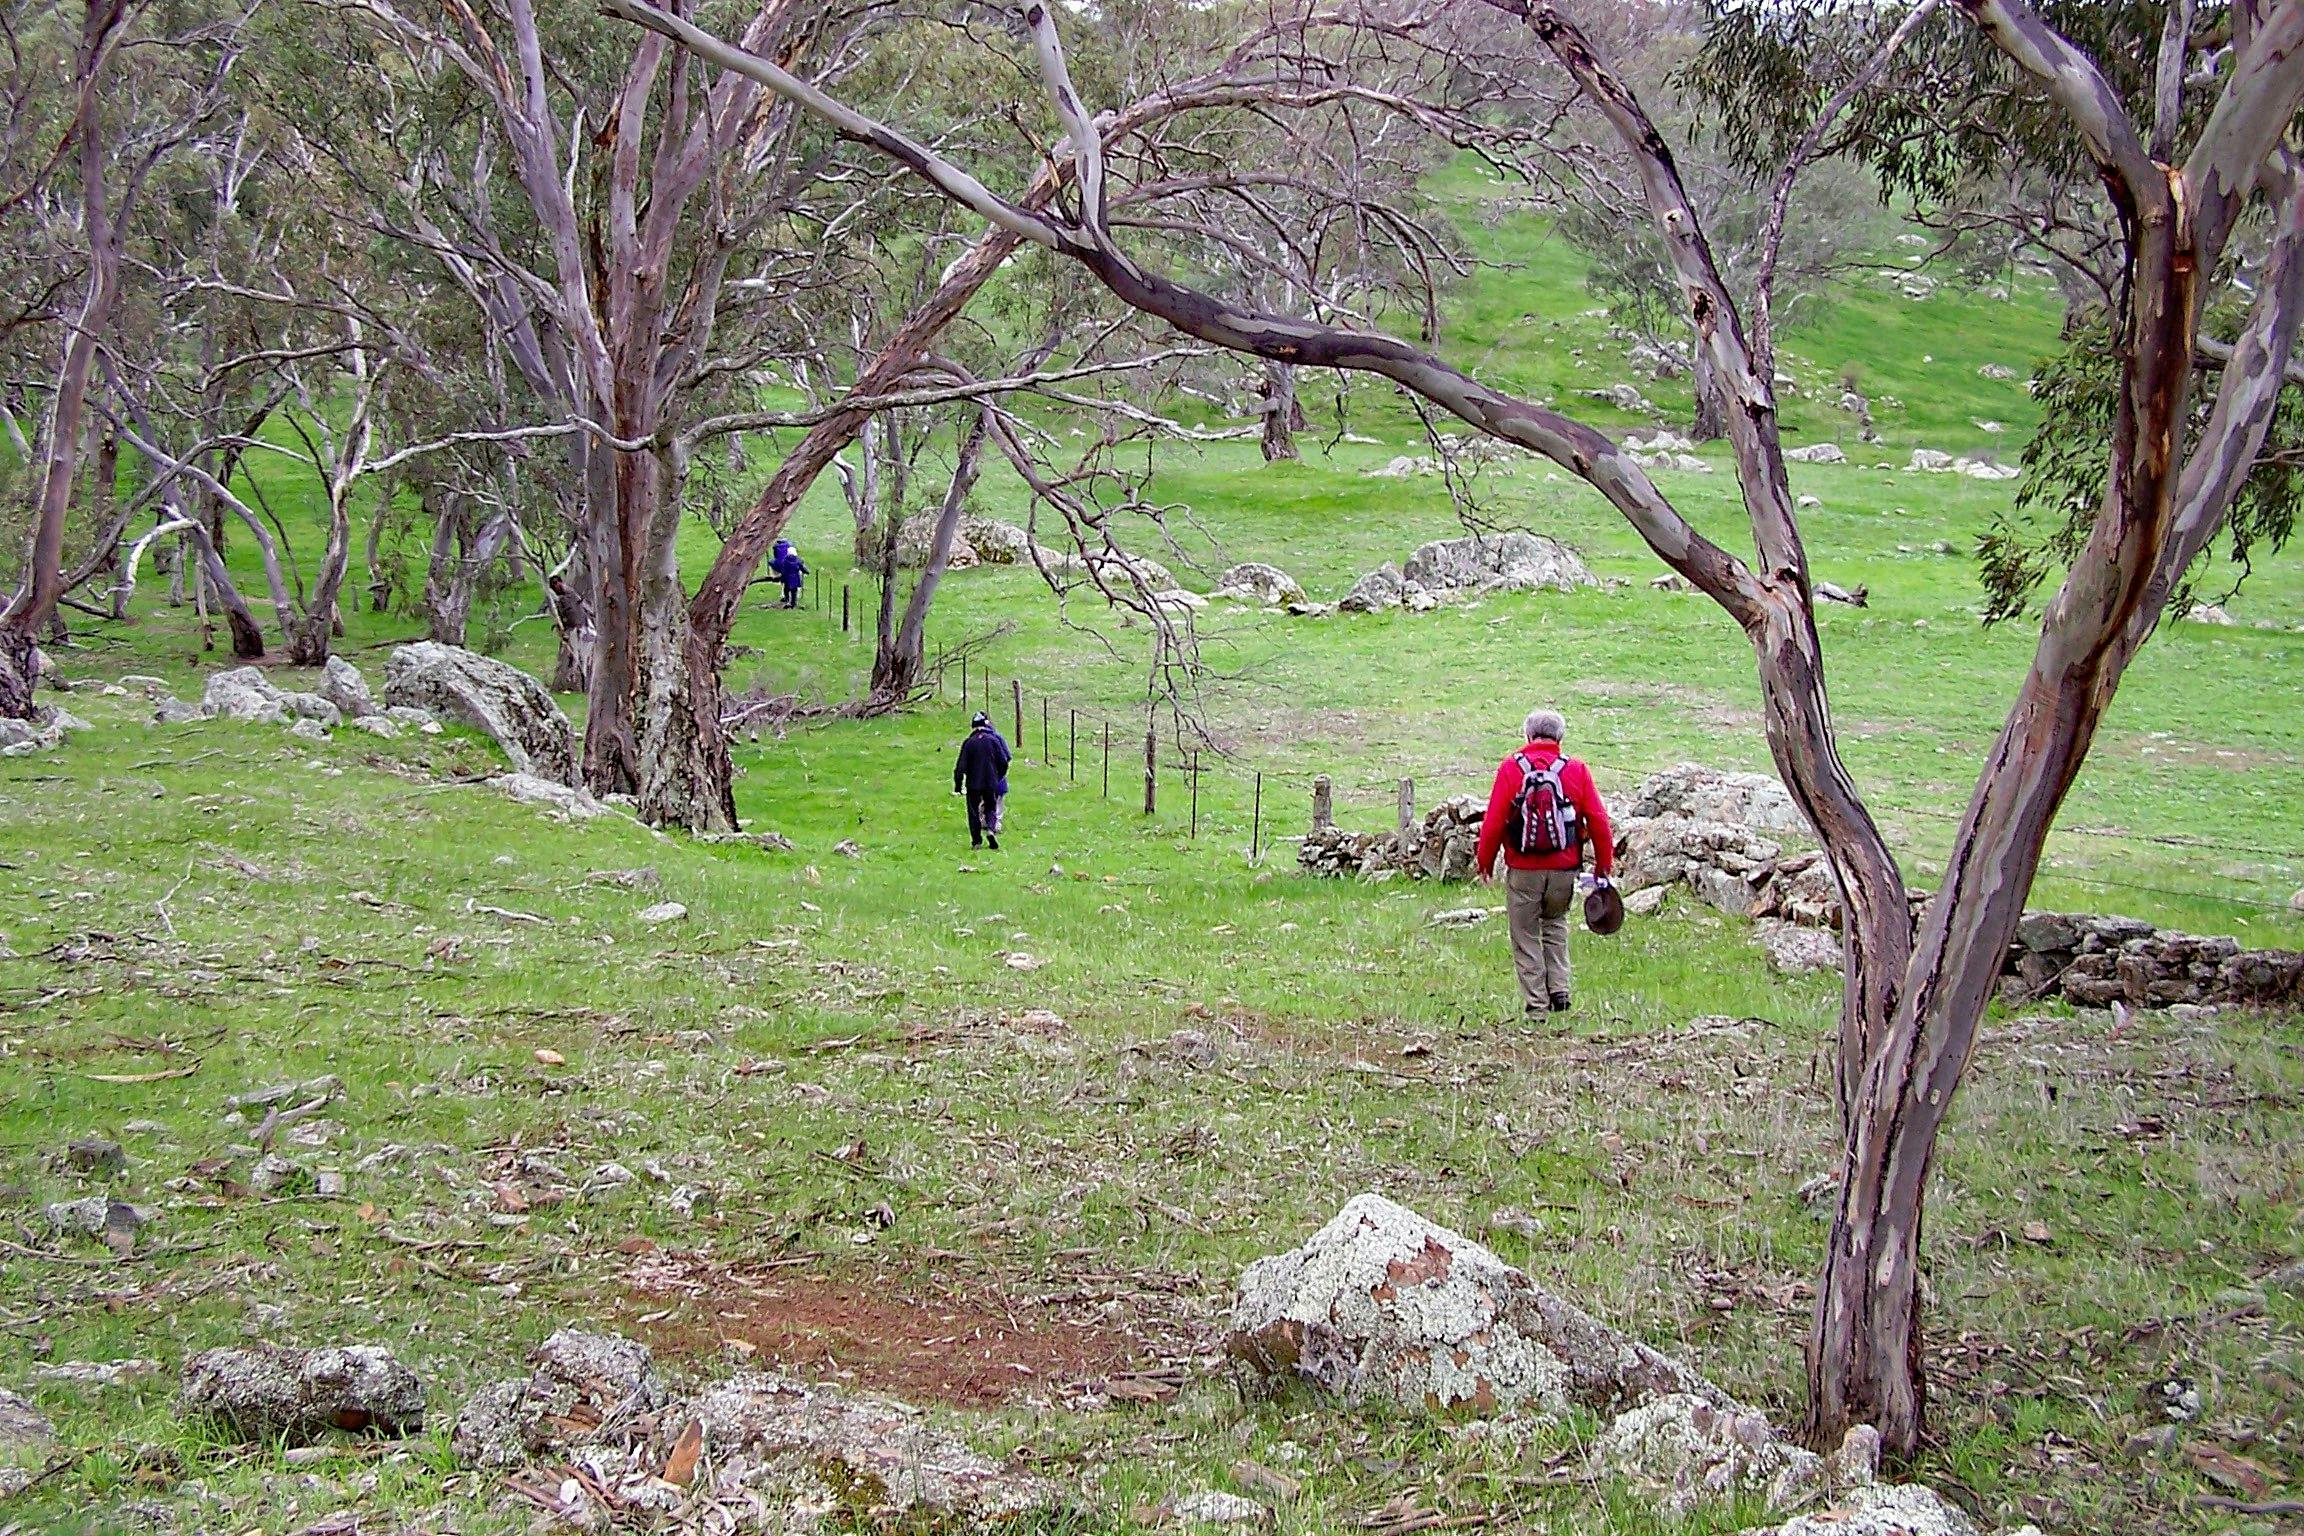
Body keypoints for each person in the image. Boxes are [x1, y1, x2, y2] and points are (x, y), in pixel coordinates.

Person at [1474, 708, 1614, 1020]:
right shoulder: (1576, 769)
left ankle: (1537, 1006)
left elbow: (1494, 821)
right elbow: (1599, 822)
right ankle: (1560, 991)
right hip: (1565, 868)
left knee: (1524, 934)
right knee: (1555, 923)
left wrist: (1485, 861)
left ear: (1527, 735)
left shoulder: (1512, 767)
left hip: (1523, 869)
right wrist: (1603, 865)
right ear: (1560, 737)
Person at [953, 710, 1011, 850]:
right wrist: (998, 777)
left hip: (973, 783)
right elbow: (1004, 761)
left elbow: (960, 767)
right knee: (991, 807)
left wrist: (958, 786)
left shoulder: (969, 743)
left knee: (973, 812)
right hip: (990, 782)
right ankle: (991, 829)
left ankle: (976, 841)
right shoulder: (994, 740)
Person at [771, 538, 807, 608]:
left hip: (787, 578)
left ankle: (786, 599)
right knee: (794, 591)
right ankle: (793, 603)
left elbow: (784, 569)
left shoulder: (785, 560)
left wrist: (782, 576)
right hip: (795, 578)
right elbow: (802, 568)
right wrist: (806, 572)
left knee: (786, 589)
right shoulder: (798, 560)